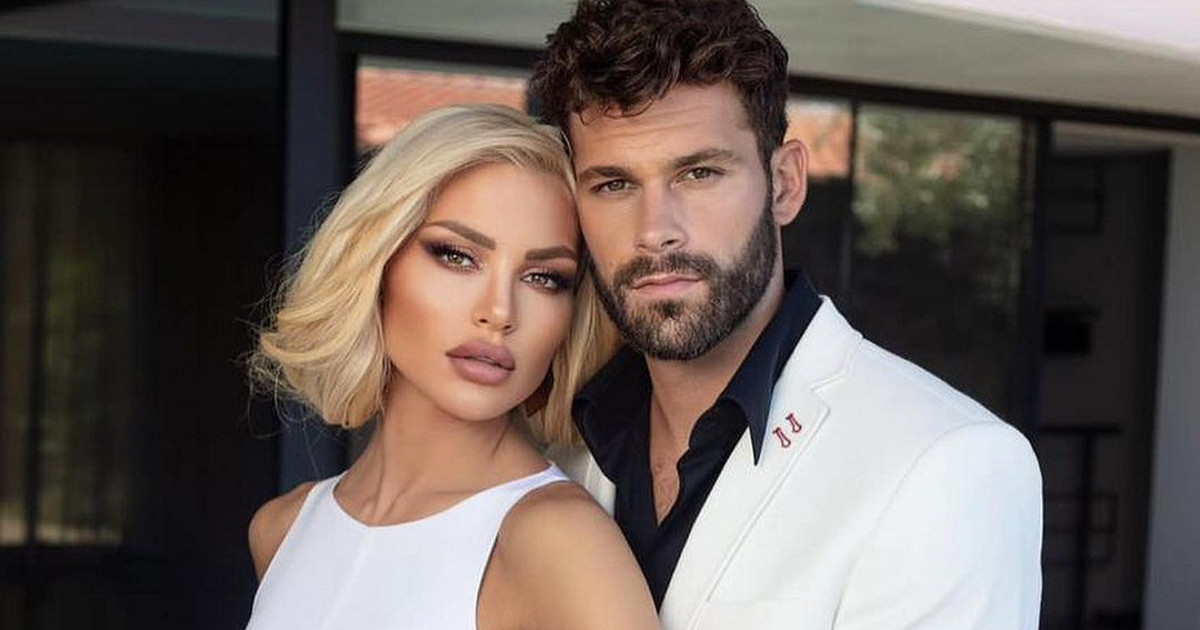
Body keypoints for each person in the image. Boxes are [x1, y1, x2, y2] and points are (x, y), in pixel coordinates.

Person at [531, 1, 1044, 628]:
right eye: (614, 184)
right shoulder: (566, 448)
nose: (655, 231)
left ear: (785, 183)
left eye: (699, 173)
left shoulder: (948, 463)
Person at [243, 104, 659, 630]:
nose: (500, 312)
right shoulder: (282, 529)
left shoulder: (556, 540)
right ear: (377, 261)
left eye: (544, 278)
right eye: (458, 256)